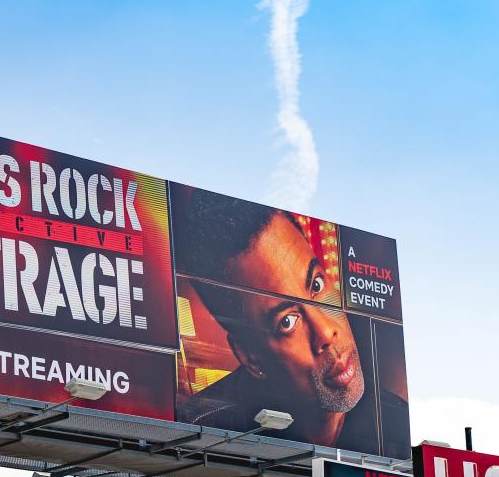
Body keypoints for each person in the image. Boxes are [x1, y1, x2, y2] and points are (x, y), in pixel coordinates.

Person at [173, 189, 406, 453]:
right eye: (287, 322)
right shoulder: (199, 432)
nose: (326, 332)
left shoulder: (394, 423)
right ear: (250, 357)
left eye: (316, 284)